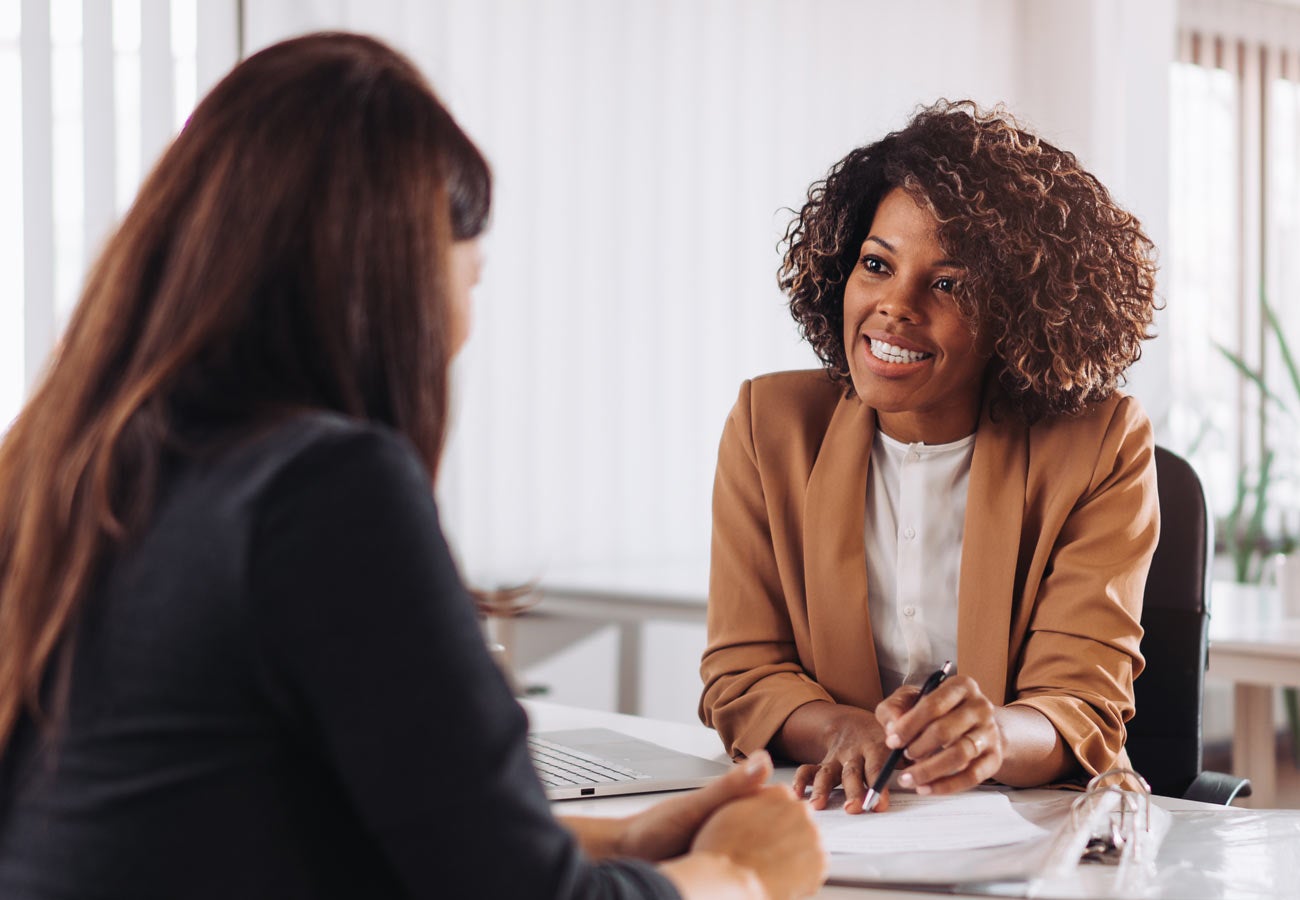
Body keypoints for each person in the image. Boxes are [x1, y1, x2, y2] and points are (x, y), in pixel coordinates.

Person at [0, 33, 826, 900]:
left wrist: (619, 836)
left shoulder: (59, 469)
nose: (465, 328)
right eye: (471, 280)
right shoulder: (319, 493)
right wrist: (741, 874)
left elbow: (263, 821)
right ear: (395, 277)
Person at [699, 100, 1160, 815]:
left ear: (1018, 312)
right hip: (842, 825)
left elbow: (1080, 702)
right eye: (877, 265)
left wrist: (992, 738)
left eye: (949, 284)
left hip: (1036, 831)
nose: (895, 305)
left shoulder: (1100, 443)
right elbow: (742, 673)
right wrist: (843, 730)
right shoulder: (772, 426)